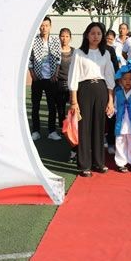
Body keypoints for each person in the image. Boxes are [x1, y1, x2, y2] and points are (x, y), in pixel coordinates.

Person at [68, 22, 116, 177]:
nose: (96, 36)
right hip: (84, 91)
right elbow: (74, 76)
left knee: (99, 127)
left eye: (99, 33)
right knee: (84, 127)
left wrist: (110, 100)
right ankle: (84, 165)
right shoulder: (79, 53)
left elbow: (109, 77)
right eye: (93, 33)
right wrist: (74, 101)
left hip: (101, 90)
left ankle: (99, 162)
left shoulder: (106, 53)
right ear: (87, 35)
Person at [29, 16, 62, 141]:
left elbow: (58, 58)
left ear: (50, 27)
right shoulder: (34, 40)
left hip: (51, 78)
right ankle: (36, 131)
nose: (44, 28)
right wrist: (32, 74)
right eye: (42, 25)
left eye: (46, 25)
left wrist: (55, 74)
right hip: (37, 78)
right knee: (35, 106)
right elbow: (29, 58)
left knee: (52, 106)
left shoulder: (55, 40)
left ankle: (52, 131)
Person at [56, 27, 77, 163]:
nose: (64, 39)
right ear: (59, 37)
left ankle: (71, 131)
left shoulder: (75, 52)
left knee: (72, 111)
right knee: (60, 108)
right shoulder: (56, 51)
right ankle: (63, 129)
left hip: (71, 84)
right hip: (59, 82)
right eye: (62, 36)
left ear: (70, 37)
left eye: (67, 36)